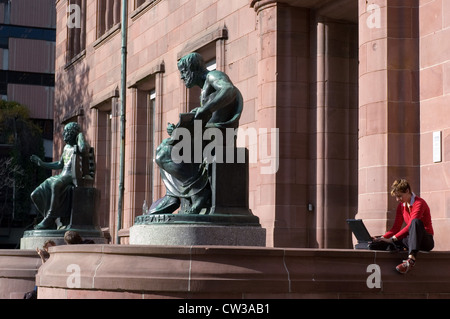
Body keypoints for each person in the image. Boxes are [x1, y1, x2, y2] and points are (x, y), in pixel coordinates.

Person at [149, 52, 243, 215]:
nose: (182, 77)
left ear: (193, 69)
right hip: (209, 134)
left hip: (219, 136)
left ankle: (198, 192)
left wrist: (205, 109)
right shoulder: (204, 90)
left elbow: (229, 91)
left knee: (164, 153)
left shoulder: (214, 76)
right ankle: (174, 195)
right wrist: (179, 129)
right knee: (165, 147)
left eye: (183, 72)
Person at [30, 122, 89, 230]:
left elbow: (84, 149)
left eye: (67, 132)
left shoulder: (78, 146)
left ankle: (50, 216)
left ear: (73, 134)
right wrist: (42, 163)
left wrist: (80, 135)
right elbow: (60, 164)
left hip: (71, 176)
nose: (64, 135)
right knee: (35, 194)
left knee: (56, 184)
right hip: (62, 175)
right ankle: (51, 220)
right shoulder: (66, 147)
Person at [373, 179, 434, 274]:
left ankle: (411, 260)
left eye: (399, 196)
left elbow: (410, 225)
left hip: (425, 240)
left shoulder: (419, 203)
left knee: (415, 222)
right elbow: (395, 228)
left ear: (407, 191)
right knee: (382, 241)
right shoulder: (401, 206)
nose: (397, 199)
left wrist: (393, 239)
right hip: (411, 239)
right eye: (396, 197)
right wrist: (383, 238)